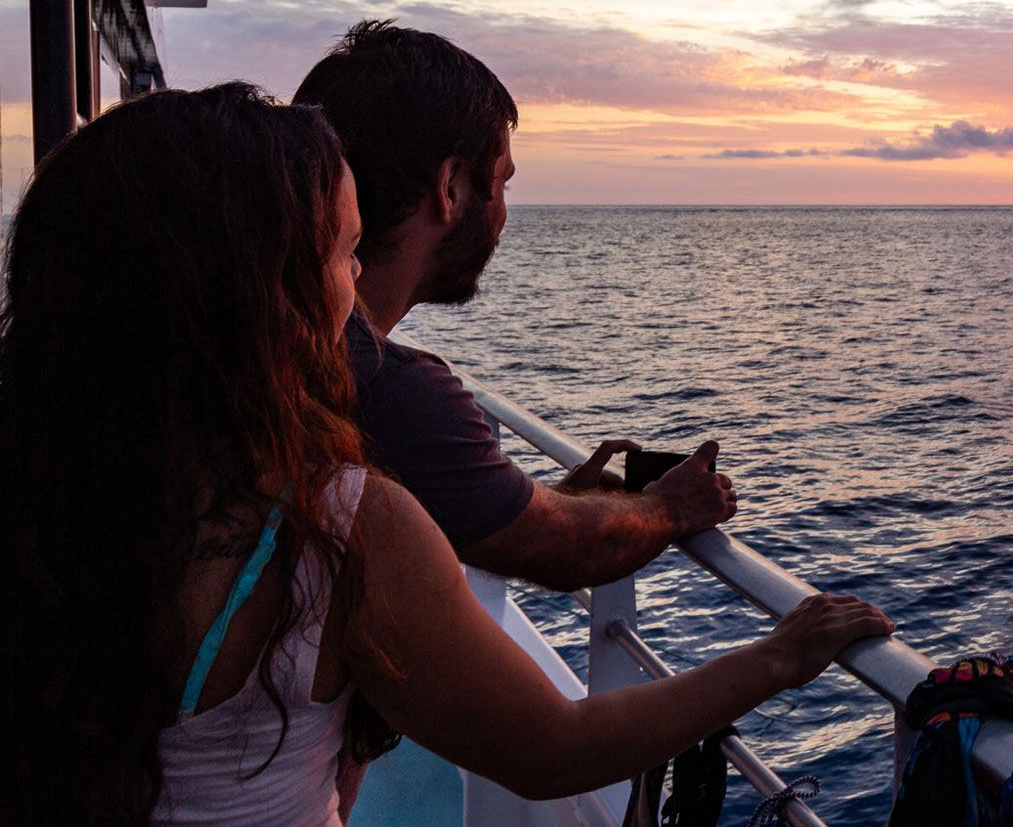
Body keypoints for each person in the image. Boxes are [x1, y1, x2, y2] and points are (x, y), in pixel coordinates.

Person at [0, 84, 892, 824]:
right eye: (343, 256)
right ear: (263, 301)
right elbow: (551, 750)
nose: (354, 292)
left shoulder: (42, 487)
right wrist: (778, 657)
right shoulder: (338, 527)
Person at [293, 22, 719, 592]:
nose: (503, 217)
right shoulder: (384, 386)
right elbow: (560, 548)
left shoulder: (271, 340)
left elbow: (492, 522)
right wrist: (670, 507)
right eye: (504, 184)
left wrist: (548, 502)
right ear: (450, 189)